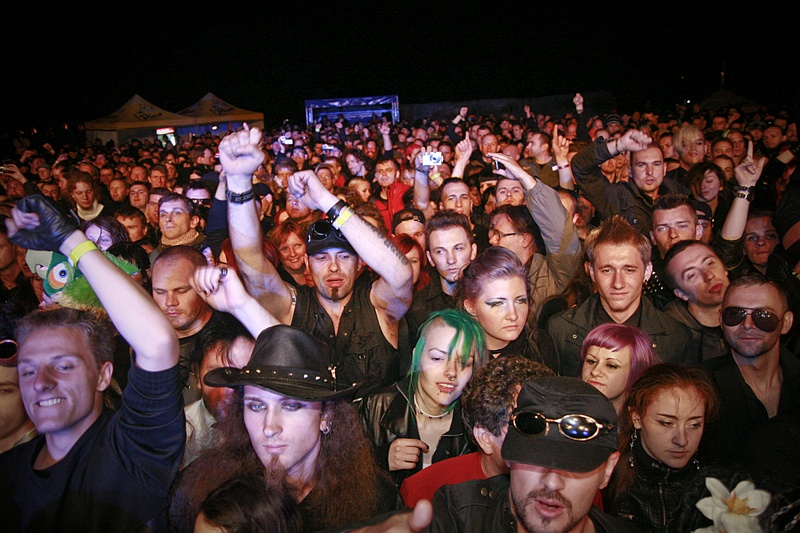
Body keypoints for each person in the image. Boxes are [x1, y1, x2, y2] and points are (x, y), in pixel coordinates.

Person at [0, 194, 184, 531]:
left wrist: (71, 241)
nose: (41, 382)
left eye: (64, 365)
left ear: (103, 374)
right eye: (28, 370)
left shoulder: (130, 454)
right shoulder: (8, 472)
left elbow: (157, 344)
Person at [222, 125, 413, 398]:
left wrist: (326, 199)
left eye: (344, 256)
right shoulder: (291, 307)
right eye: (321, 258)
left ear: (361, 263)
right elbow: (251, 263)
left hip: (380, 439)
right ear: (307, 264)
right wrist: (239, 180)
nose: (333, 267)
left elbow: (401, 274)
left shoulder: (380, 306)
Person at [170, 308, 401, 532]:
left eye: (291, 406)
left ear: (326, 416)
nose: (269, 427)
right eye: (256, 406)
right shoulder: (201, 491)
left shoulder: (374, 501)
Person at [350, 376, 638, 532]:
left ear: (608, 470)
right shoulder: (460, 514)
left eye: (573, 467)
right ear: (509, 455)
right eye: (534, 460)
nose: (551, 483)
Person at [547, 215, 695, 377]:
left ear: (646, 271)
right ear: (591, 271)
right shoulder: (560, 330)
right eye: (607, 270)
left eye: (629, 270)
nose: (618, 283)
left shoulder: (676, 337)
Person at [399, 355, 554, 509]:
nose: (547, 438)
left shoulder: (567, 486)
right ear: (485, 437)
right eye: (529, 426)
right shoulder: (426, 492)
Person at [359, 309, 488, 487]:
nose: (451, 372)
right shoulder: (376, 406)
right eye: (437, 358)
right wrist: (380, 460)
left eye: (464, 363)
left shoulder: (476, 426)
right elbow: (337, 476)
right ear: (417, 357)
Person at [700, 273, 800, 481]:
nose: (747, 324)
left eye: (764, 315)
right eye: (735, 314)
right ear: (720, 319)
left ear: (786, 322)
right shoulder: (697, 385)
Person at [603, 363, 719, 533]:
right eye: (666, 423)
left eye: (694, 425)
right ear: (636, 417)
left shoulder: (717, 488)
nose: (682, 440)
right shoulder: (605, 479)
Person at [570, 128, 690, 237]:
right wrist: (619, 145)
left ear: (664, 169)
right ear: (630, 171)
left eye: (656, 164)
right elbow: (580, 166)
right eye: (642, 165)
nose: (649, 171)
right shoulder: (616, 197)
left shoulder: (681, 198)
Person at [457, 246, 559, 371]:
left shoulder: (541, 346)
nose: (513, 315)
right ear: (470, 307)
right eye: (497, 304)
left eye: (520, 301)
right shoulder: (453, 351)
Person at [662, 240, 730, 361]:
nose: (709, 275)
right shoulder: (672, 340)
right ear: (681, 294)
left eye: (710, 263)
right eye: (692, 275)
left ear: (724, 268)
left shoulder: (753, 308)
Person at [578, 323, 657, 417]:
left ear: (635, 371)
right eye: (591, 361)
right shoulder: (561, 412)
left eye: (611, 366)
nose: (595, 372)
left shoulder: (649, 422)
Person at [271, 220, 313, 288]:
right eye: (284, 249)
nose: (293, 254)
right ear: (276, 252)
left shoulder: (320, 272)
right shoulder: (274, 282)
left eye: (297, 245)